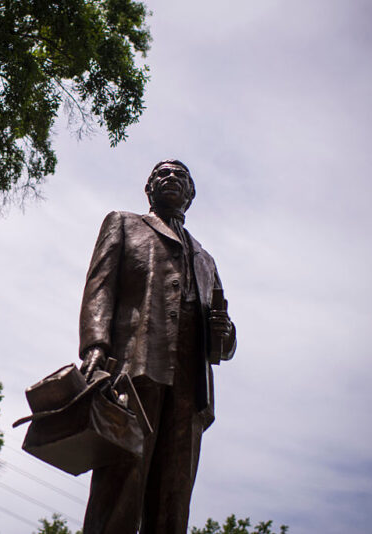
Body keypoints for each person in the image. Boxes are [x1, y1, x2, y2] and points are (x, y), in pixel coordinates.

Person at [78, 160, 236, 534]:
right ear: (149, 188)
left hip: (191, 386)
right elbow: (99, 287)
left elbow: (222, 343)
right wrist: (95, 346)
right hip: (136, 368)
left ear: (191, 194)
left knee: (173, 495)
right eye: (161, 175)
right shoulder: (125, 223)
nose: (170, 180)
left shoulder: (205, 259)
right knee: (122, 478)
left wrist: (225, 334)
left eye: (180, 176)